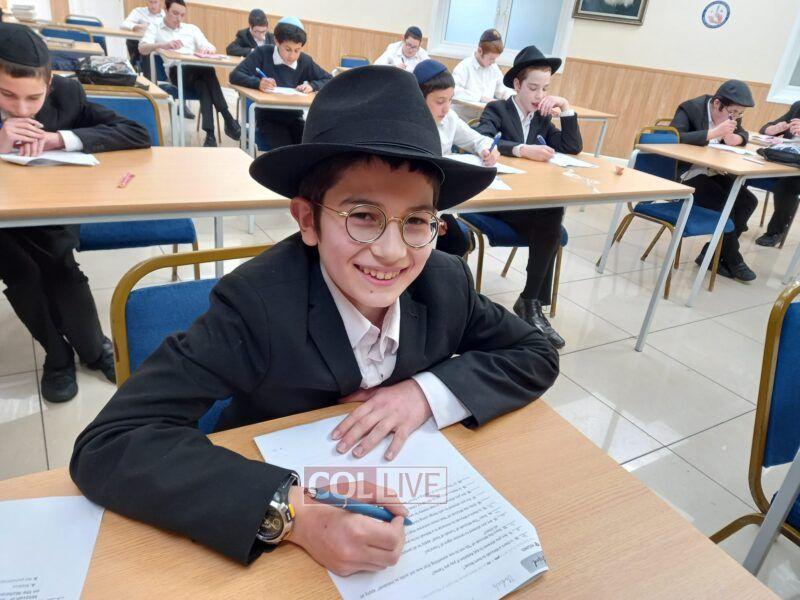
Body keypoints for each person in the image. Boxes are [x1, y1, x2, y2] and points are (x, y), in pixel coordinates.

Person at [70, 65, 559, 575]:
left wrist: (423, 394)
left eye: (417, 220)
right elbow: (110, 442)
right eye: (363, 216)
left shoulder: (443, 281)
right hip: (271, 534)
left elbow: (535, 352)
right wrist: (292, 515)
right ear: (308, 220)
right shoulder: (255, 305)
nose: (393, 252)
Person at [0, 24, 151, 402]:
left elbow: (135, 132)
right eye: (6, 95)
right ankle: (57, 355)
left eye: (33, 98)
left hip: (49, 212)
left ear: (49, 84)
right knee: (22, 274)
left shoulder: (68, 94)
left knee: (61, 268)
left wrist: (59, 139)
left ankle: (93, 349)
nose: (21, 109)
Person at [476, 45, 581, 349]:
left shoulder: (542, 118)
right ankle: (531, 303)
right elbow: (483, 139)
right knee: (551, 224)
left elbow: (571, 147)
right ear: (517, 84)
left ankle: (530, 300)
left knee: (552, 214)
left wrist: (566, 107)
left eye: (545, 89)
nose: (539, 95)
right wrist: (522, 150)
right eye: (533, 88)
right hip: (497, 201)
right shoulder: (497, 109)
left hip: (529, 202)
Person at [670, 80, 758, 281]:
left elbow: (742, 132)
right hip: (686, 173)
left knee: (747, 202)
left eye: (739, 114)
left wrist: (738, 139)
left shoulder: (731, 114)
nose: (735, 117)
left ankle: (711, 254)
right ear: (717, 103)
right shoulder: (690, 108)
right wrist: (712, 134)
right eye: (733, 112)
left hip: (713, 171)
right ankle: (733, 259)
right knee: (725, 204)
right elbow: (674, 137)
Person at [414, 59, 499, 256]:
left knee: (458, 242)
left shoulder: (449, 118)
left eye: (450, 100)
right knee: (430, 240)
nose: (446, 108)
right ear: (419, 98)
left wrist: (487, 150)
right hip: (414, 201)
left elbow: (477, 140)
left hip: (440, 199)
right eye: (440, 101)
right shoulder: (407, 123)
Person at [138, 0, 241, 147]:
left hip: (197, 71)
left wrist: (207, 50)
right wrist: (162, 45)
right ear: (166, 10)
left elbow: (210, 46)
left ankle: (210, 136)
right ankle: (228, 118)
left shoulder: (191, 29)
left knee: (203, 85)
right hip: (177, 72)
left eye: (182, 15)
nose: (179, 18)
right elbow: (142, 48)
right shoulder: (156, 26)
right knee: (208, 71)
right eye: (175, 13)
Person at [229, 16, 330, 149]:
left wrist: (312, 86)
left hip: (294, 118)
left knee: (309, 148)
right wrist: (258, 83)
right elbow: (235, 75)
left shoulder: (304, 61)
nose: (292, 56)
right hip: (268, 118)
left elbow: (329, 79)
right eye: (287, 49)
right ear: (277, 41)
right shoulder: (263, 53)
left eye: (297, 50)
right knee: (285, 152)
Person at [755, 102, 800, 247]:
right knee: (742, 171)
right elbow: (765, 128)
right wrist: (774, 129)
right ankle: (735, 220)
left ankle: (776, 231)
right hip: (785, 160)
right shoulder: (798, 106)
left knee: (788, 184)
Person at [451, 28, 512, 120]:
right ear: (480, 51)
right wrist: (480, 98)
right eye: (491, 58)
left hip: (483, 119)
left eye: (495, 59)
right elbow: (453, 91)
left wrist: (514, 98)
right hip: (461, 119)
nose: (494, 62)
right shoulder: (464, 66)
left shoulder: (494, 68)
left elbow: (502, 90)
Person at [120, 0, 164, 77]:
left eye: (155, 2)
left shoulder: (166, 15)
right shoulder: (139, 11)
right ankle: (147, 77)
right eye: (150, 2)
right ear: (147, 2)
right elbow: (123, 24)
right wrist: (137, 26)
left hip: (160, 46)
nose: (153, 5)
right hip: (142, 45)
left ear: (160, 2)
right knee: (145, 48)